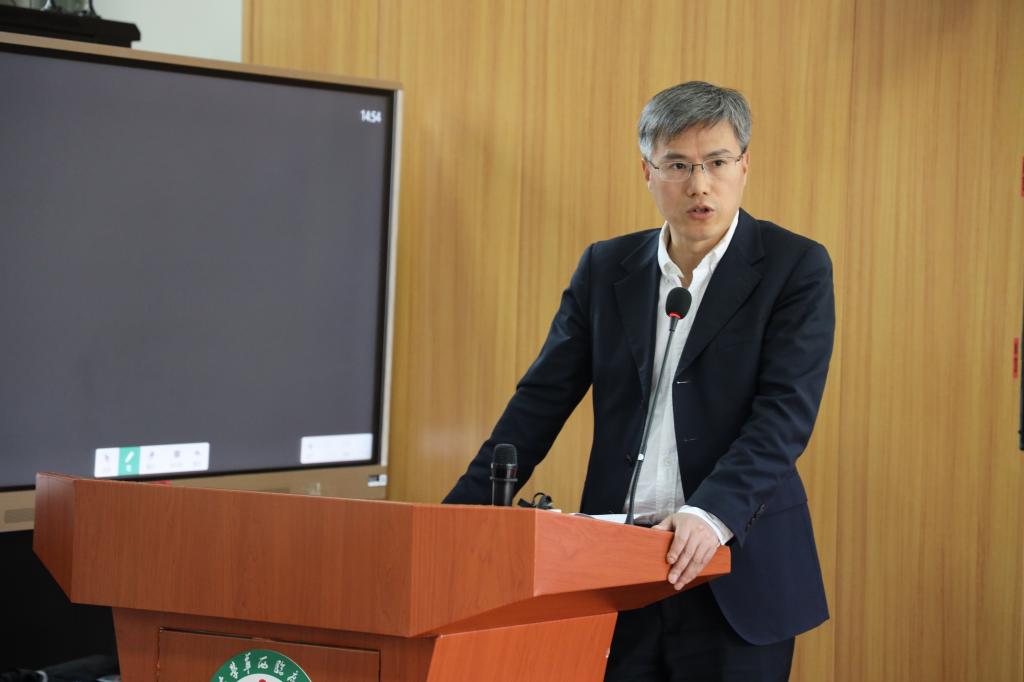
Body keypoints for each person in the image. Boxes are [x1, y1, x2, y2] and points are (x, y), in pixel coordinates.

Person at [444, 81, 834, 681]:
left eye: (716, 162)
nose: (699, 185)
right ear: (647, 171)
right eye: (677, 165)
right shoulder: (606, 268)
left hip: (734, 569)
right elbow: (540, 402)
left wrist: (710, 513)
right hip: (618, 572)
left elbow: (784, 415)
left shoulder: (794, 266)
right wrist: (457, 522)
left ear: (744, 165)